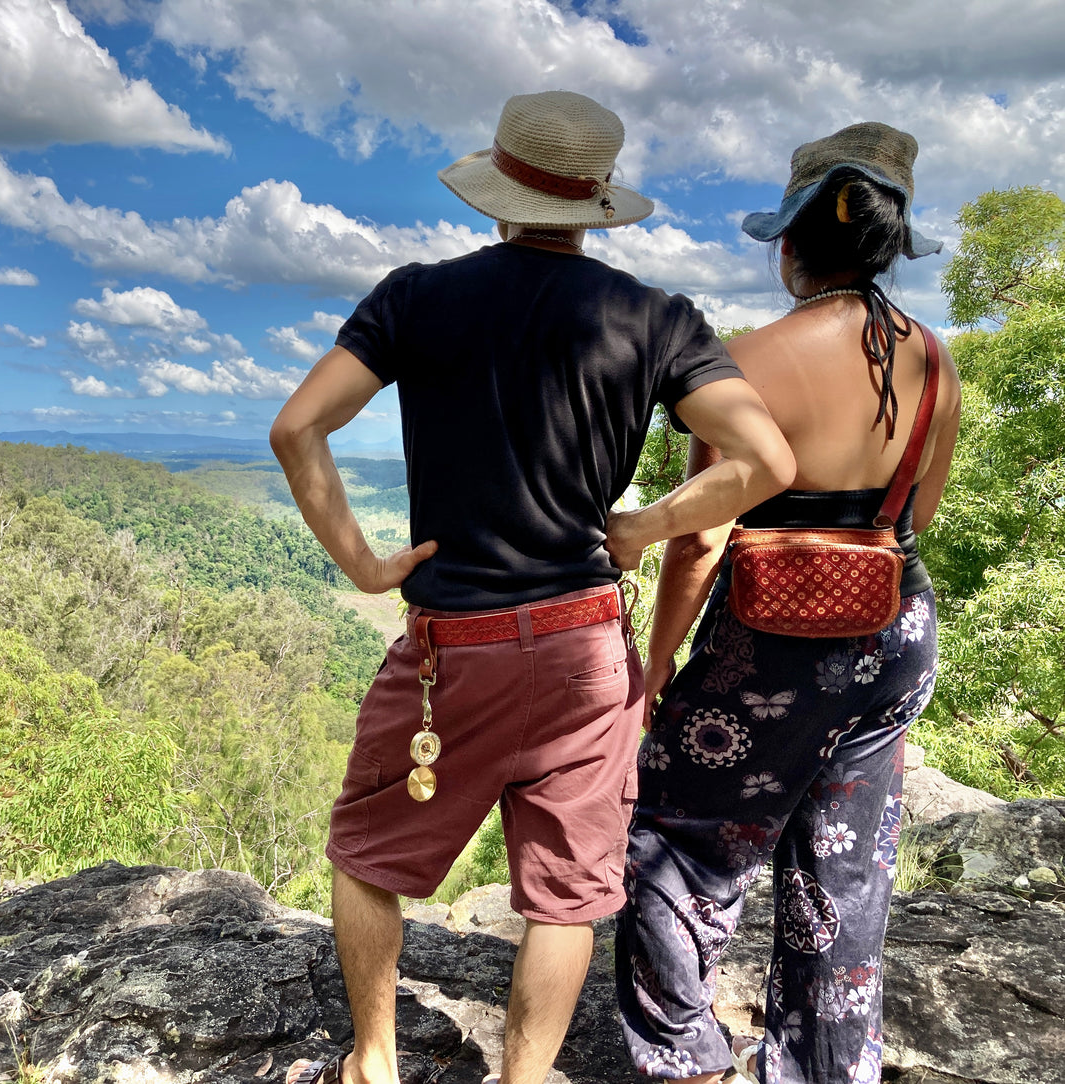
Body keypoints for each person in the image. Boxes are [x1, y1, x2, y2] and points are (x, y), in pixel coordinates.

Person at [270, 90, 795, 1084]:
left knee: (367, 853)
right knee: (563, 897)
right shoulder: (654, 318)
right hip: (584, 648)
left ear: (499, 191)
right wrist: (640, 523)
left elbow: (296, 429)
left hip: (450, 648)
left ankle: (372, 1061)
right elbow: (762, 458)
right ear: (595, 204)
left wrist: (363, 564)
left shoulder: (416, 296)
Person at [610, 122, 963, 1084]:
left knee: (675, 836)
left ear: (790, 242)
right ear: (889, 244)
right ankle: (819, 1067)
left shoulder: (741, 361)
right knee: (843, 865)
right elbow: (913, 513)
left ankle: (683, 1056)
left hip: (769, 646)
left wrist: (656, 666)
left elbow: (698, 535)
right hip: (892, 631)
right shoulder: (935, 363)